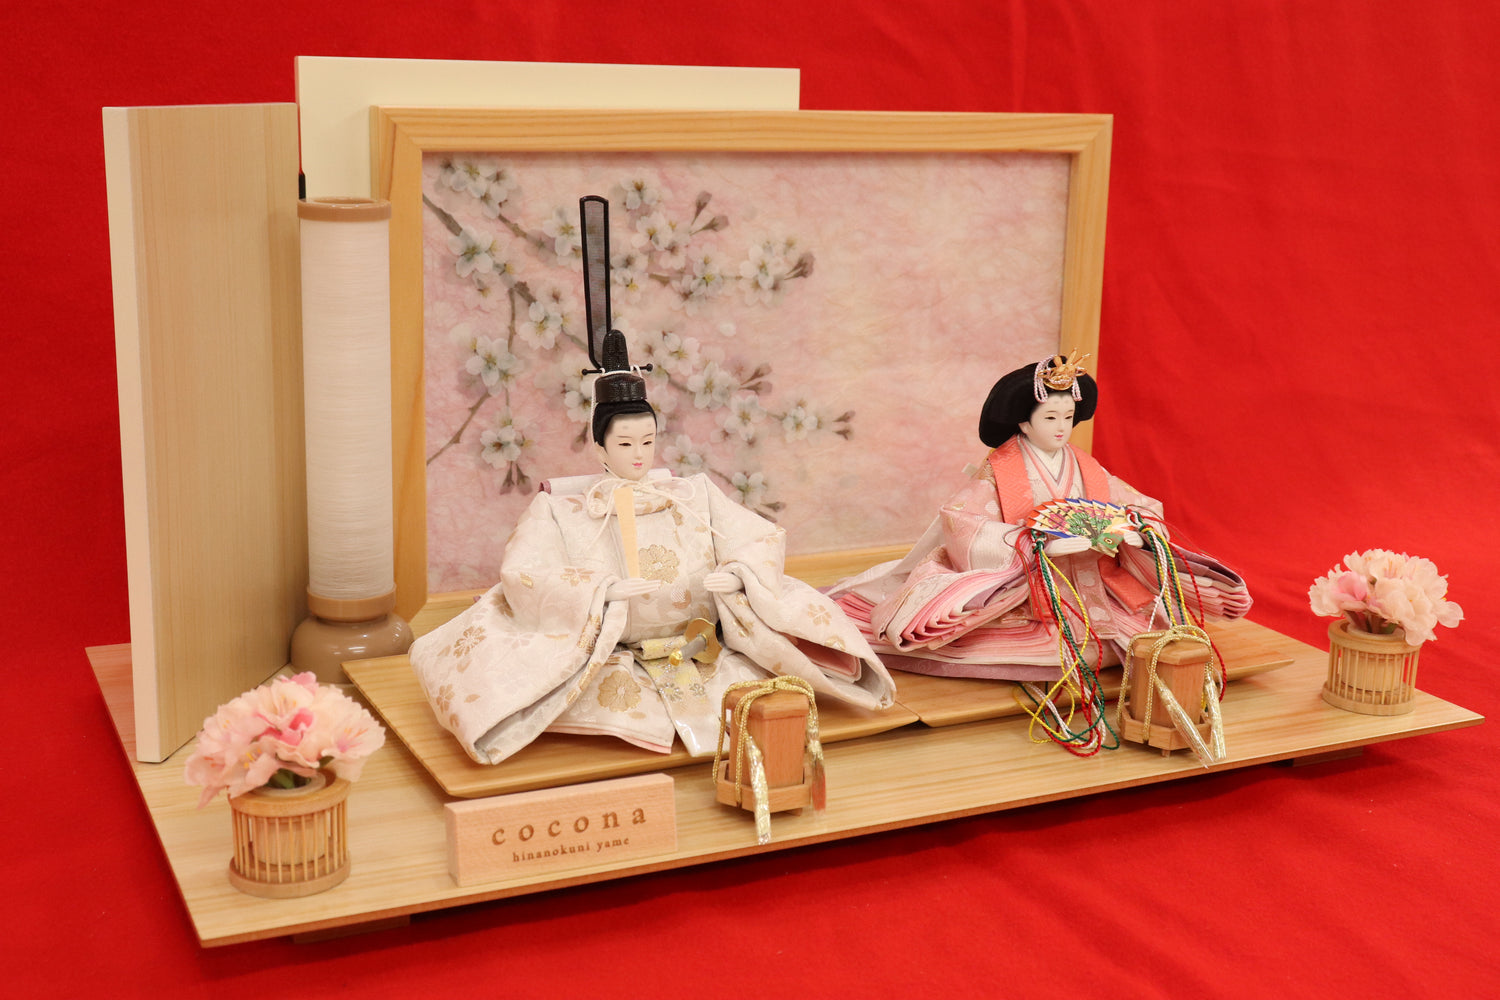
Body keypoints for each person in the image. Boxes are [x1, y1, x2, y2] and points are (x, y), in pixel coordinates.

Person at [410, 197, 895, 765]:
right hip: (611, 649)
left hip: (701, 640)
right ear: (599, 445)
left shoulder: (691, 494)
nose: (639, 455)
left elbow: (757, 536)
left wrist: (739, 573)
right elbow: (526, 572)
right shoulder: (562, 508)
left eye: (648, 441)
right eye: (625, 444)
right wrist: (599, 592)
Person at [828, 353, 1251, 681]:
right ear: (1024, 424)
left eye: (1067, 417)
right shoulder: (1001, 469)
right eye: (1050, 417)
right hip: (1028, 585)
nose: (1062, 427)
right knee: (1005, 642)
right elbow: (961, 519)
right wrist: (1035, 544)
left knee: (1142, 630)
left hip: (1093, 577)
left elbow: (1138, 505)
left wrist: (1136, 531)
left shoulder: (1085, 466)